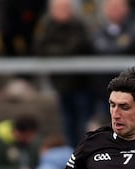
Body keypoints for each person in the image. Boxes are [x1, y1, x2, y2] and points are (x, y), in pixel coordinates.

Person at [33, 0, 95, 147]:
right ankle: (73, 156)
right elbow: (39, 48)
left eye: (66, 8)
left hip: (81, 84)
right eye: (60, 8)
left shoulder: (78, 25)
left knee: (83, 123)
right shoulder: (46, 26)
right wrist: (60, 52)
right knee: (68, 124)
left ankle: (86, 154)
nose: (63, 11)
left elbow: (76, 47)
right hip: (61, 84)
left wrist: (55, 51)